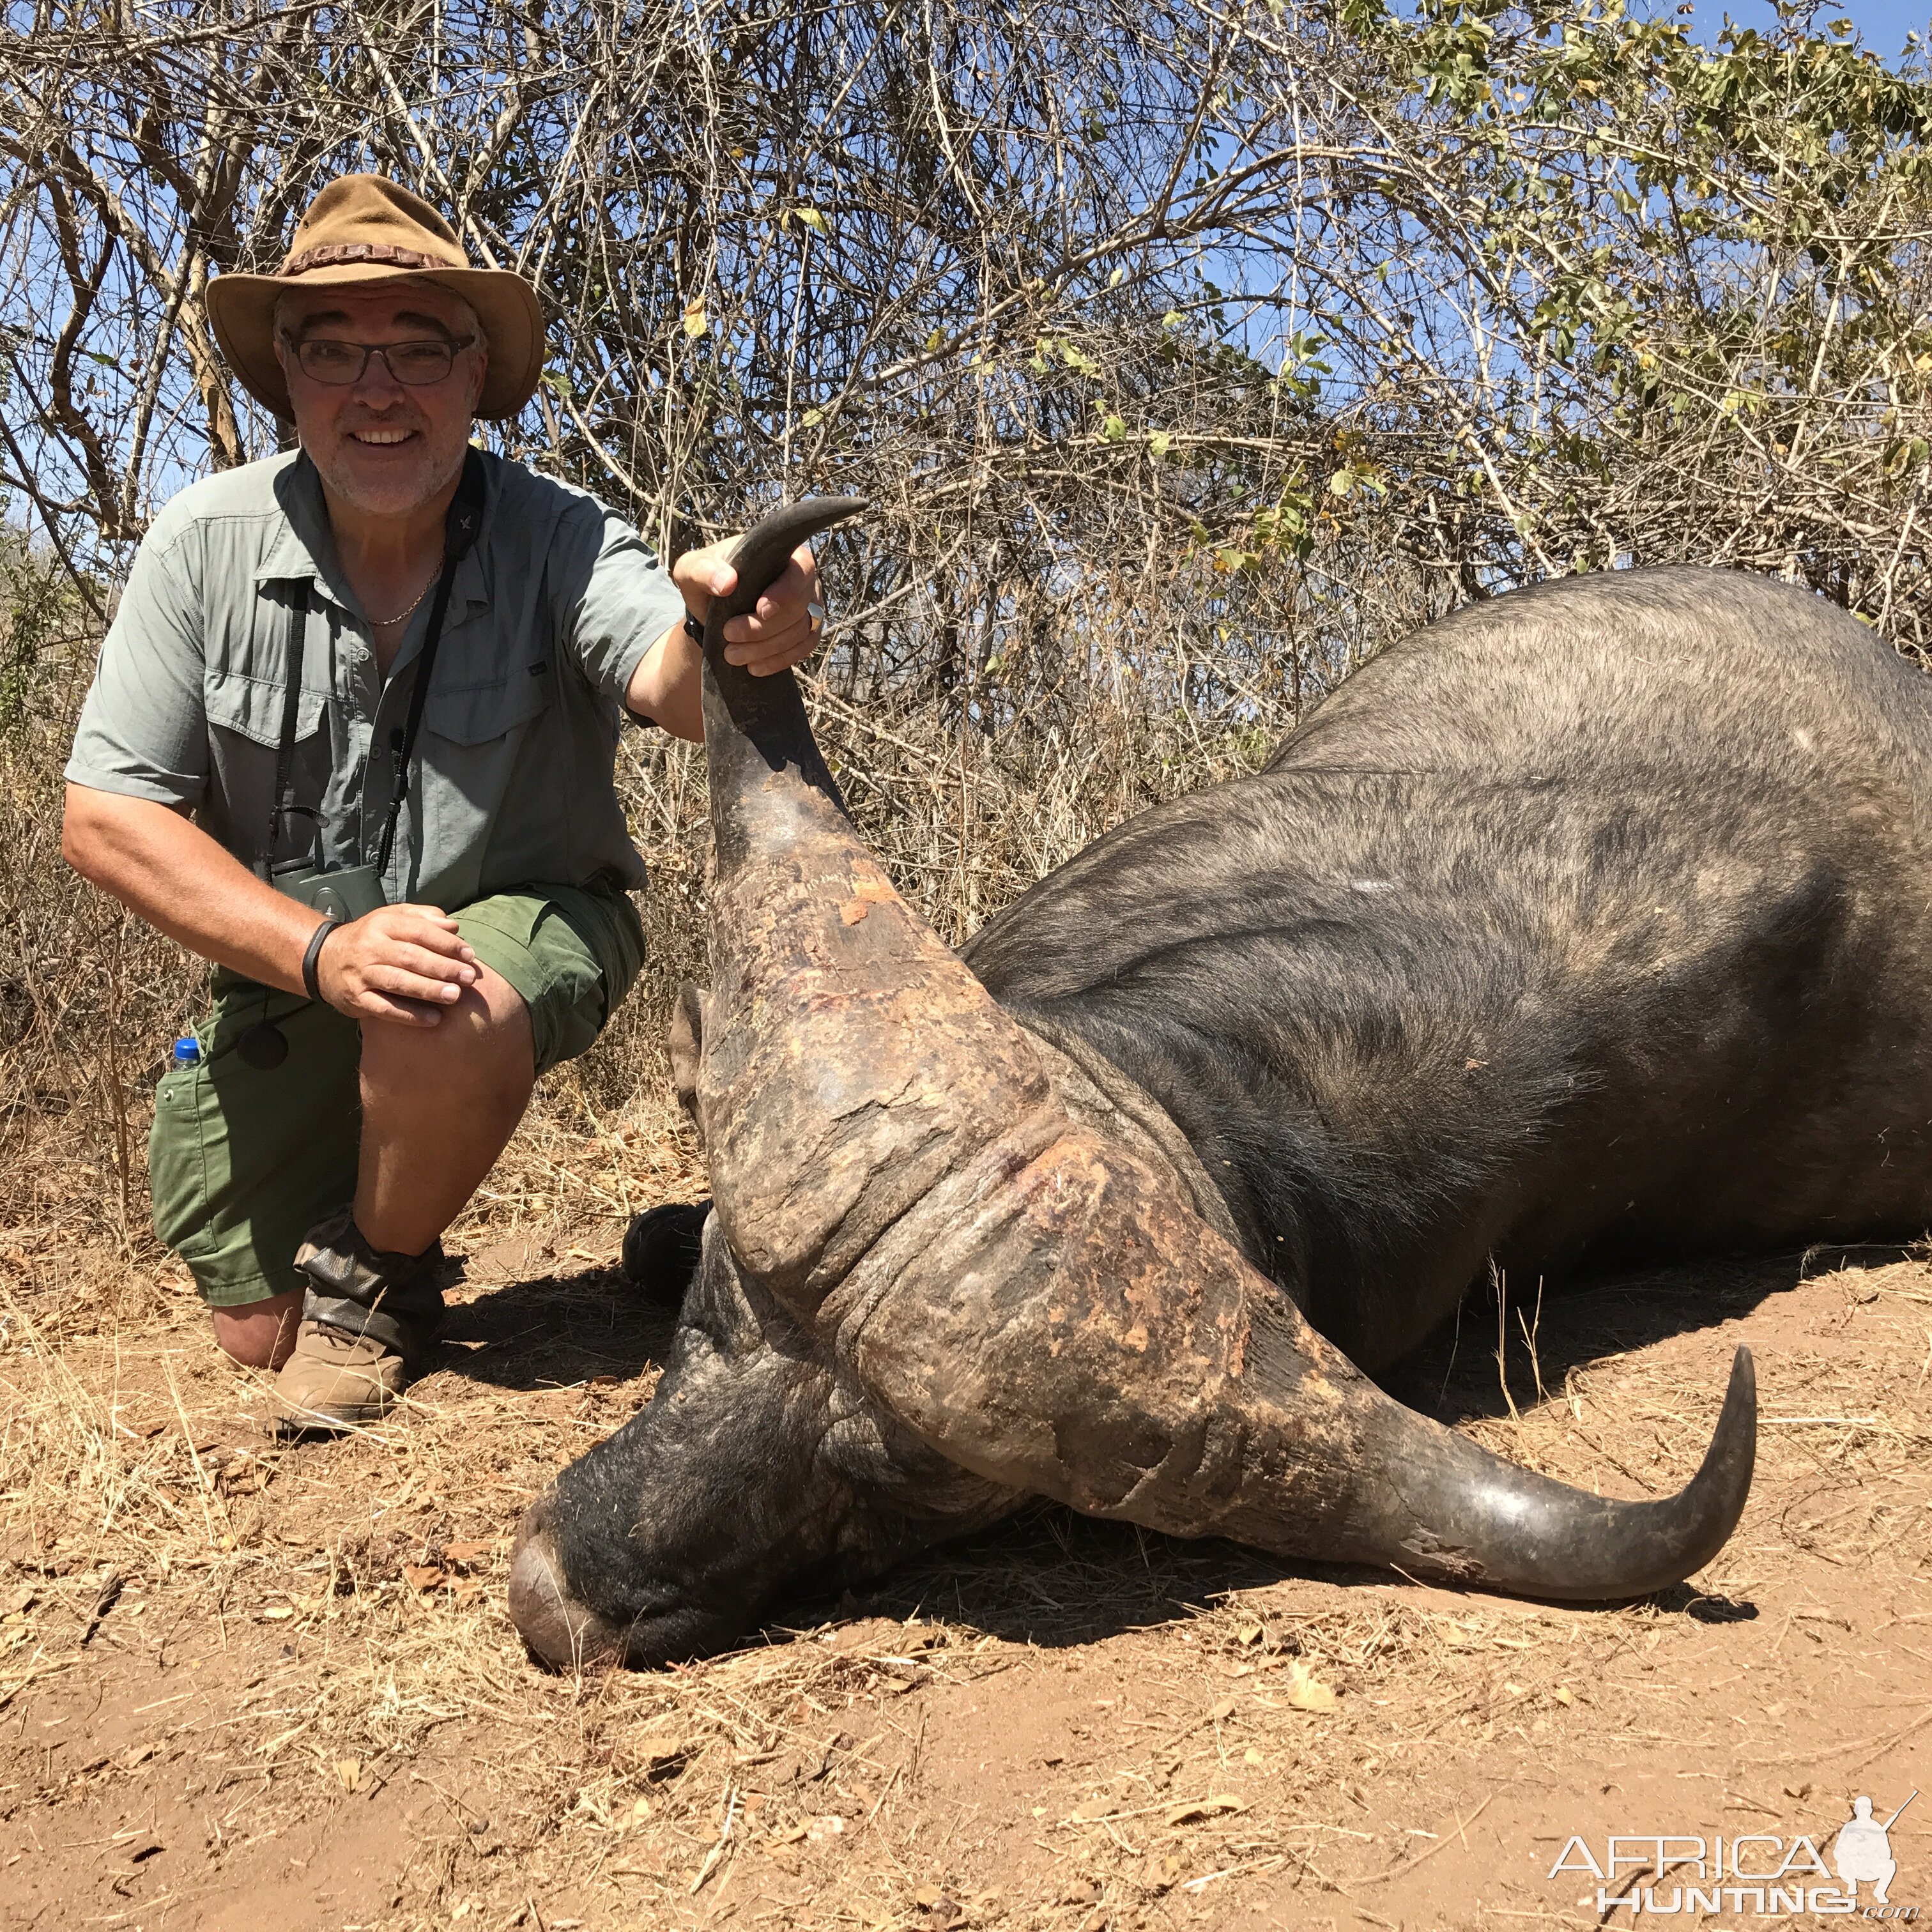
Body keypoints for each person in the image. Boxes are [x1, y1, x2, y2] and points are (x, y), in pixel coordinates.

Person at [61, 175, 825, 1430]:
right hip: (307, 968)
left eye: (420, 350)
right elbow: (105, 818)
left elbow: (680, 690)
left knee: (440, 1002)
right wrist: (317, 952)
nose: (380, 390)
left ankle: (376, 1279)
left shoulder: (560, 536)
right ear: (289, 380)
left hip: (534, 924)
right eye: (337, 353)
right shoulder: (200, 542)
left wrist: (729, 621)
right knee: (254, 1336)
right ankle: (493, 1216)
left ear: (475, 378)